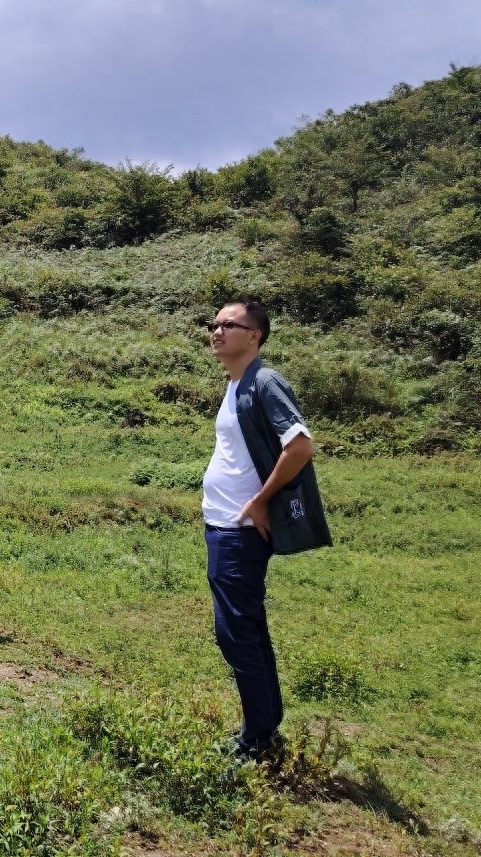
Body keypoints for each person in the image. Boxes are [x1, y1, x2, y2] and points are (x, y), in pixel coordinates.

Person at [202, 296, 318, 762]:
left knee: (235, 631)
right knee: (245, 626)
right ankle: (263, 727)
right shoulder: (237, 384)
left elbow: (301, 446)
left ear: (256, 336)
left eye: (230, 324)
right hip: (224, 525)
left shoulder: (265, 382)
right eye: (214, 324)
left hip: (240, 529)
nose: (218, 331)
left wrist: (260, 500)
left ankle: (257, 741)